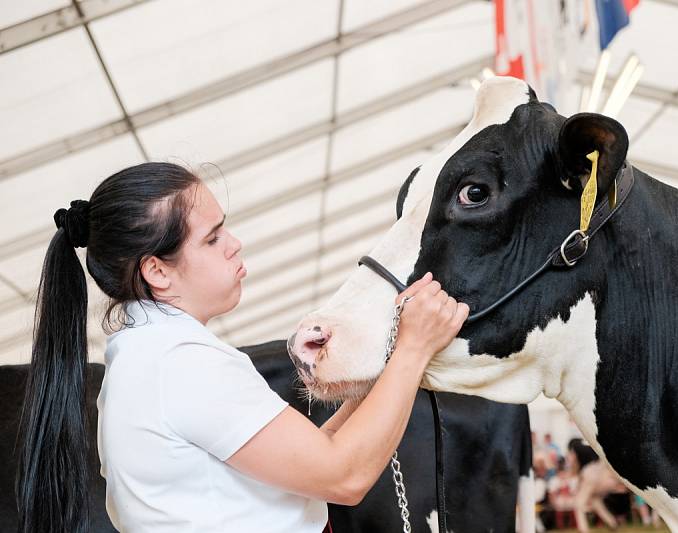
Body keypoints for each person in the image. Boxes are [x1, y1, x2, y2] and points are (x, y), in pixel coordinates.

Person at [16, 162, 469, 533]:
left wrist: (380, 360)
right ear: (157, 271)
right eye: (212, 239)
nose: (234, 245)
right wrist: (413, 348)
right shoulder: (182, 363)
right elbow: (343, 475)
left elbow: (314, 457)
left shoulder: (146, 357)